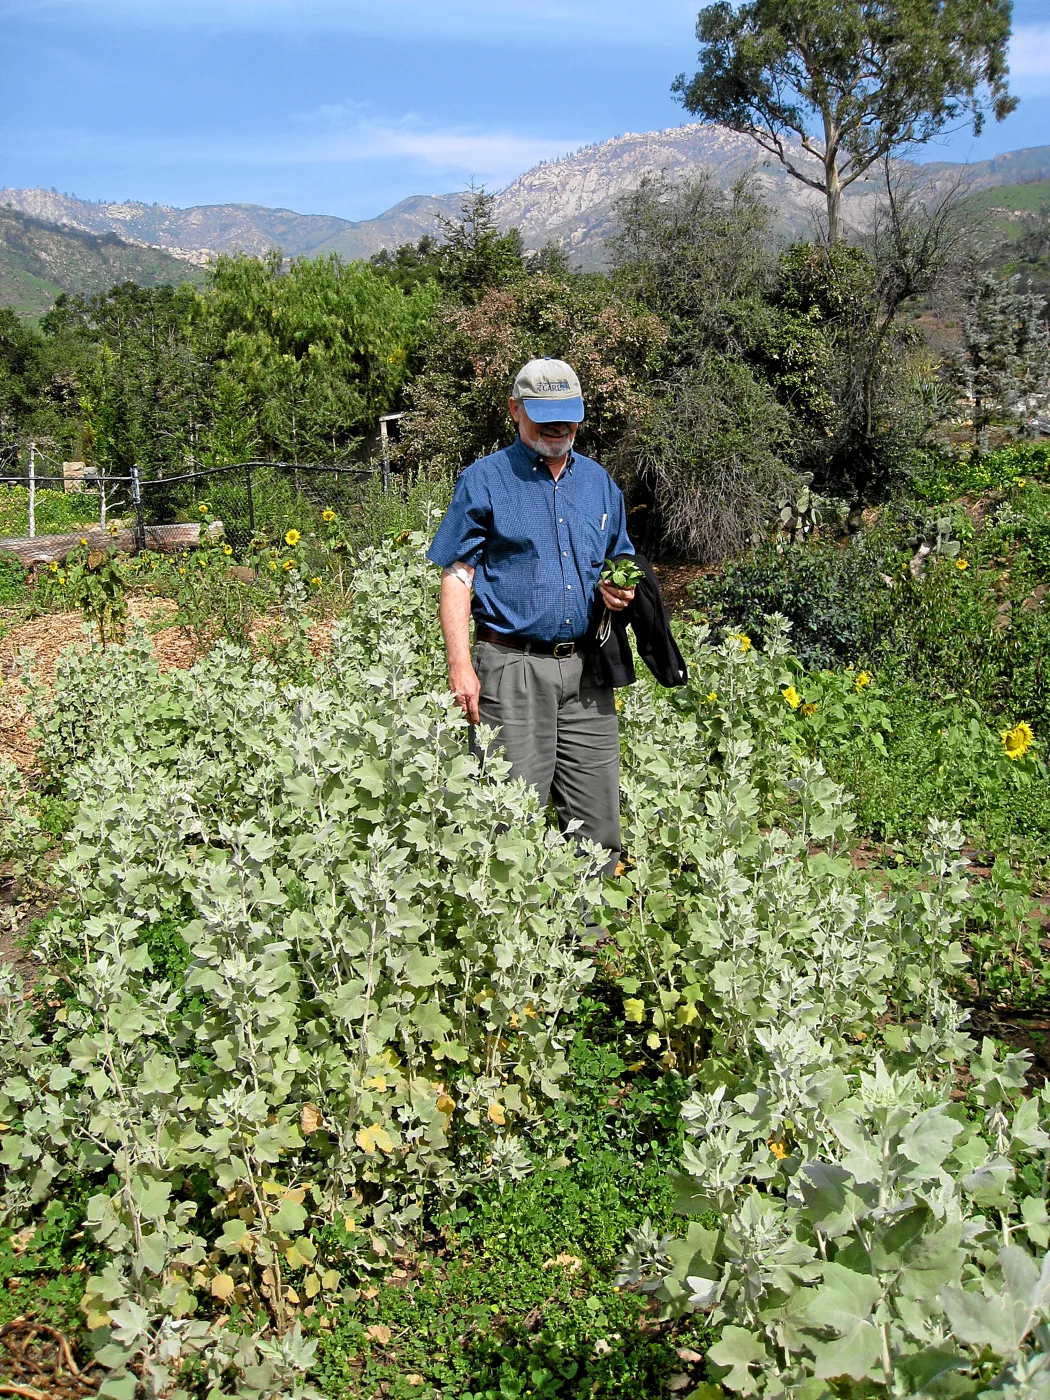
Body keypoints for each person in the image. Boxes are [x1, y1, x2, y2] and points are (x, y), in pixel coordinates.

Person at [427, 358, 636, 874]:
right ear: (515, 410)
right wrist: (460, 666)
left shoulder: (598, 483)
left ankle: (585, 942)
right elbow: (456, 577)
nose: (558, 427)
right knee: (508, 820)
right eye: (544, 416)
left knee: (597, 825)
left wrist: (617, 585)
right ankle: (515, 943)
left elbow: (621, 555)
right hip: (511, 669)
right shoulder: (486, 480)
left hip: (588, 670)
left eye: (568, 415)